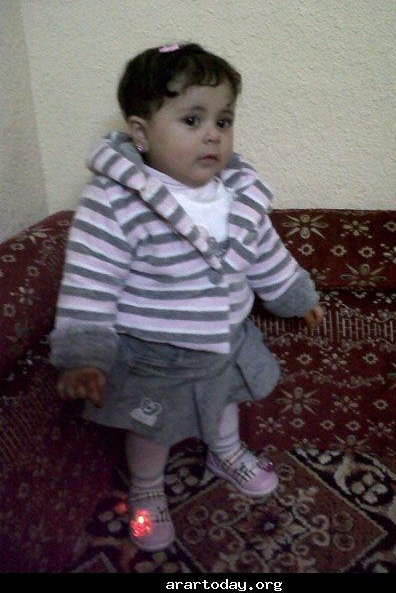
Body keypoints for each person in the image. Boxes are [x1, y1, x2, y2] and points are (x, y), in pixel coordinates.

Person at [50, 42, 324, 552]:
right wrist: (85, 355)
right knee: (150, 429)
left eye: (224, 120)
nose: (213, 134)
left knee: (225, 403)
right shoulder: (115, 200)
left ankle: (226, 452)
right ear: (141, 133)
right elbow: (90, 280)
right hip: (154, 355)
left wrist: (294, 295)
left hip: (227, 341)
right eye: (192, 120)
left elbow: (266, 253)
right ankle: (146, 489)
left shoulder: (238, 194)